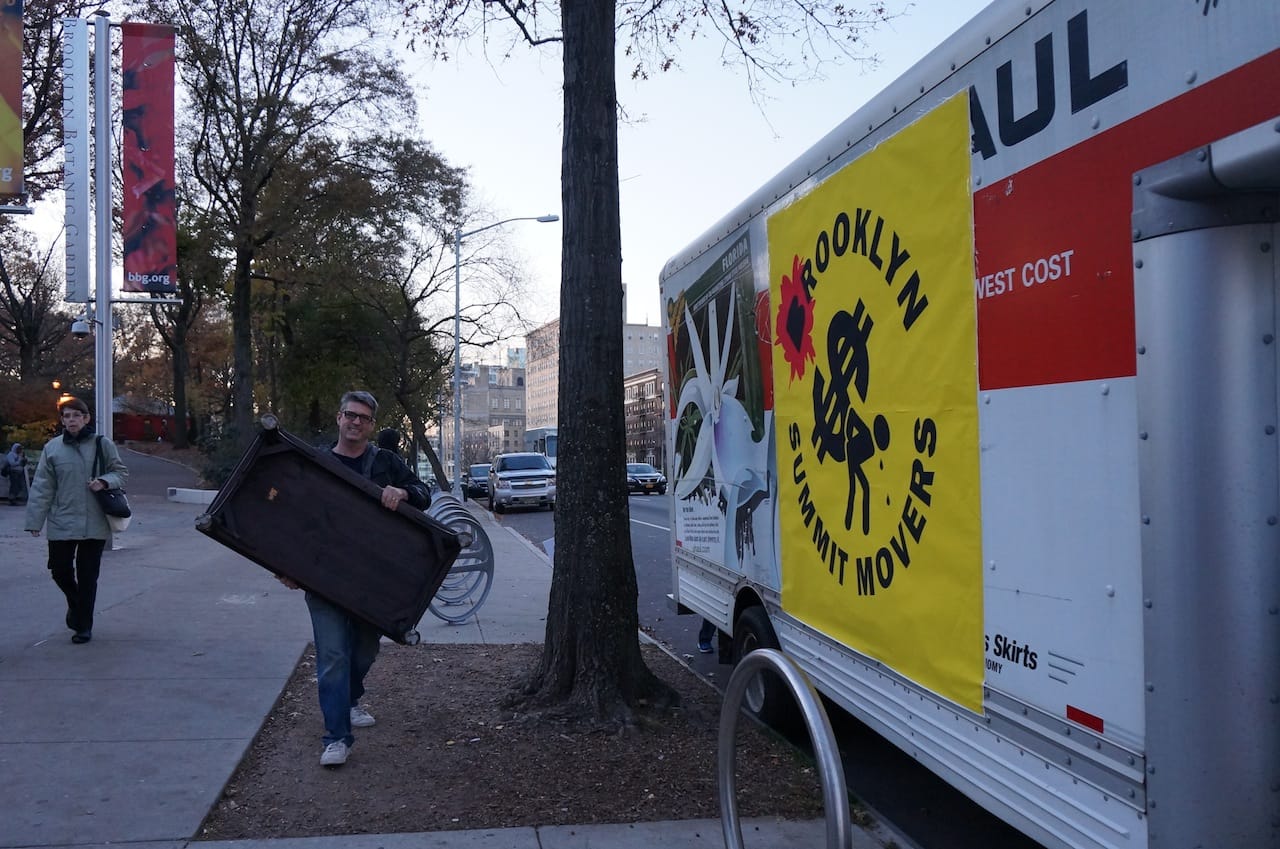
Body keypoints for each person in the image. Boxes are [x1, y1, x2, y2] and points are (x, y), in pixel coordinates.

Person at [278, 390, 431, 768]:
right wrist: (286, 566)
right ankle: (336, 737)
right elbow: (293, 517)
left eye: (363, 418)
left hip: (371, 579)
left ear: (371, 425)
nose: (356, 422)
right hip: (323, 576)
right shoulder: (317, 463)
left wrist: (403, 492)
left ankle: (348, 699)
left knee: (364, 651)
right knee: (332, 656)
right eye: (351, 415)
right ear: (338, 418)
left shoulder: (387, 462)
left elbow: (424, 494)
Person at [24, 398, 129, 644]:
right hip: (62, 519)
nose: (71, 420)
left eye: (76, 415)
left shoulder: (102, 445)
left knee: (88, 576)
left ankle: (84, 626)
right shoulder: (52, 448)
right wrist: (35, 521)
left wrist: (104, 481)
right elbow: (42, 487)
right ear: (62, 420)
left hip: (95, 520)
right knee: (59, 570)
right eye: (66, 416)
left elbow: (121, 473)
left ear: (86, 418)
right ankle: (76, 604)